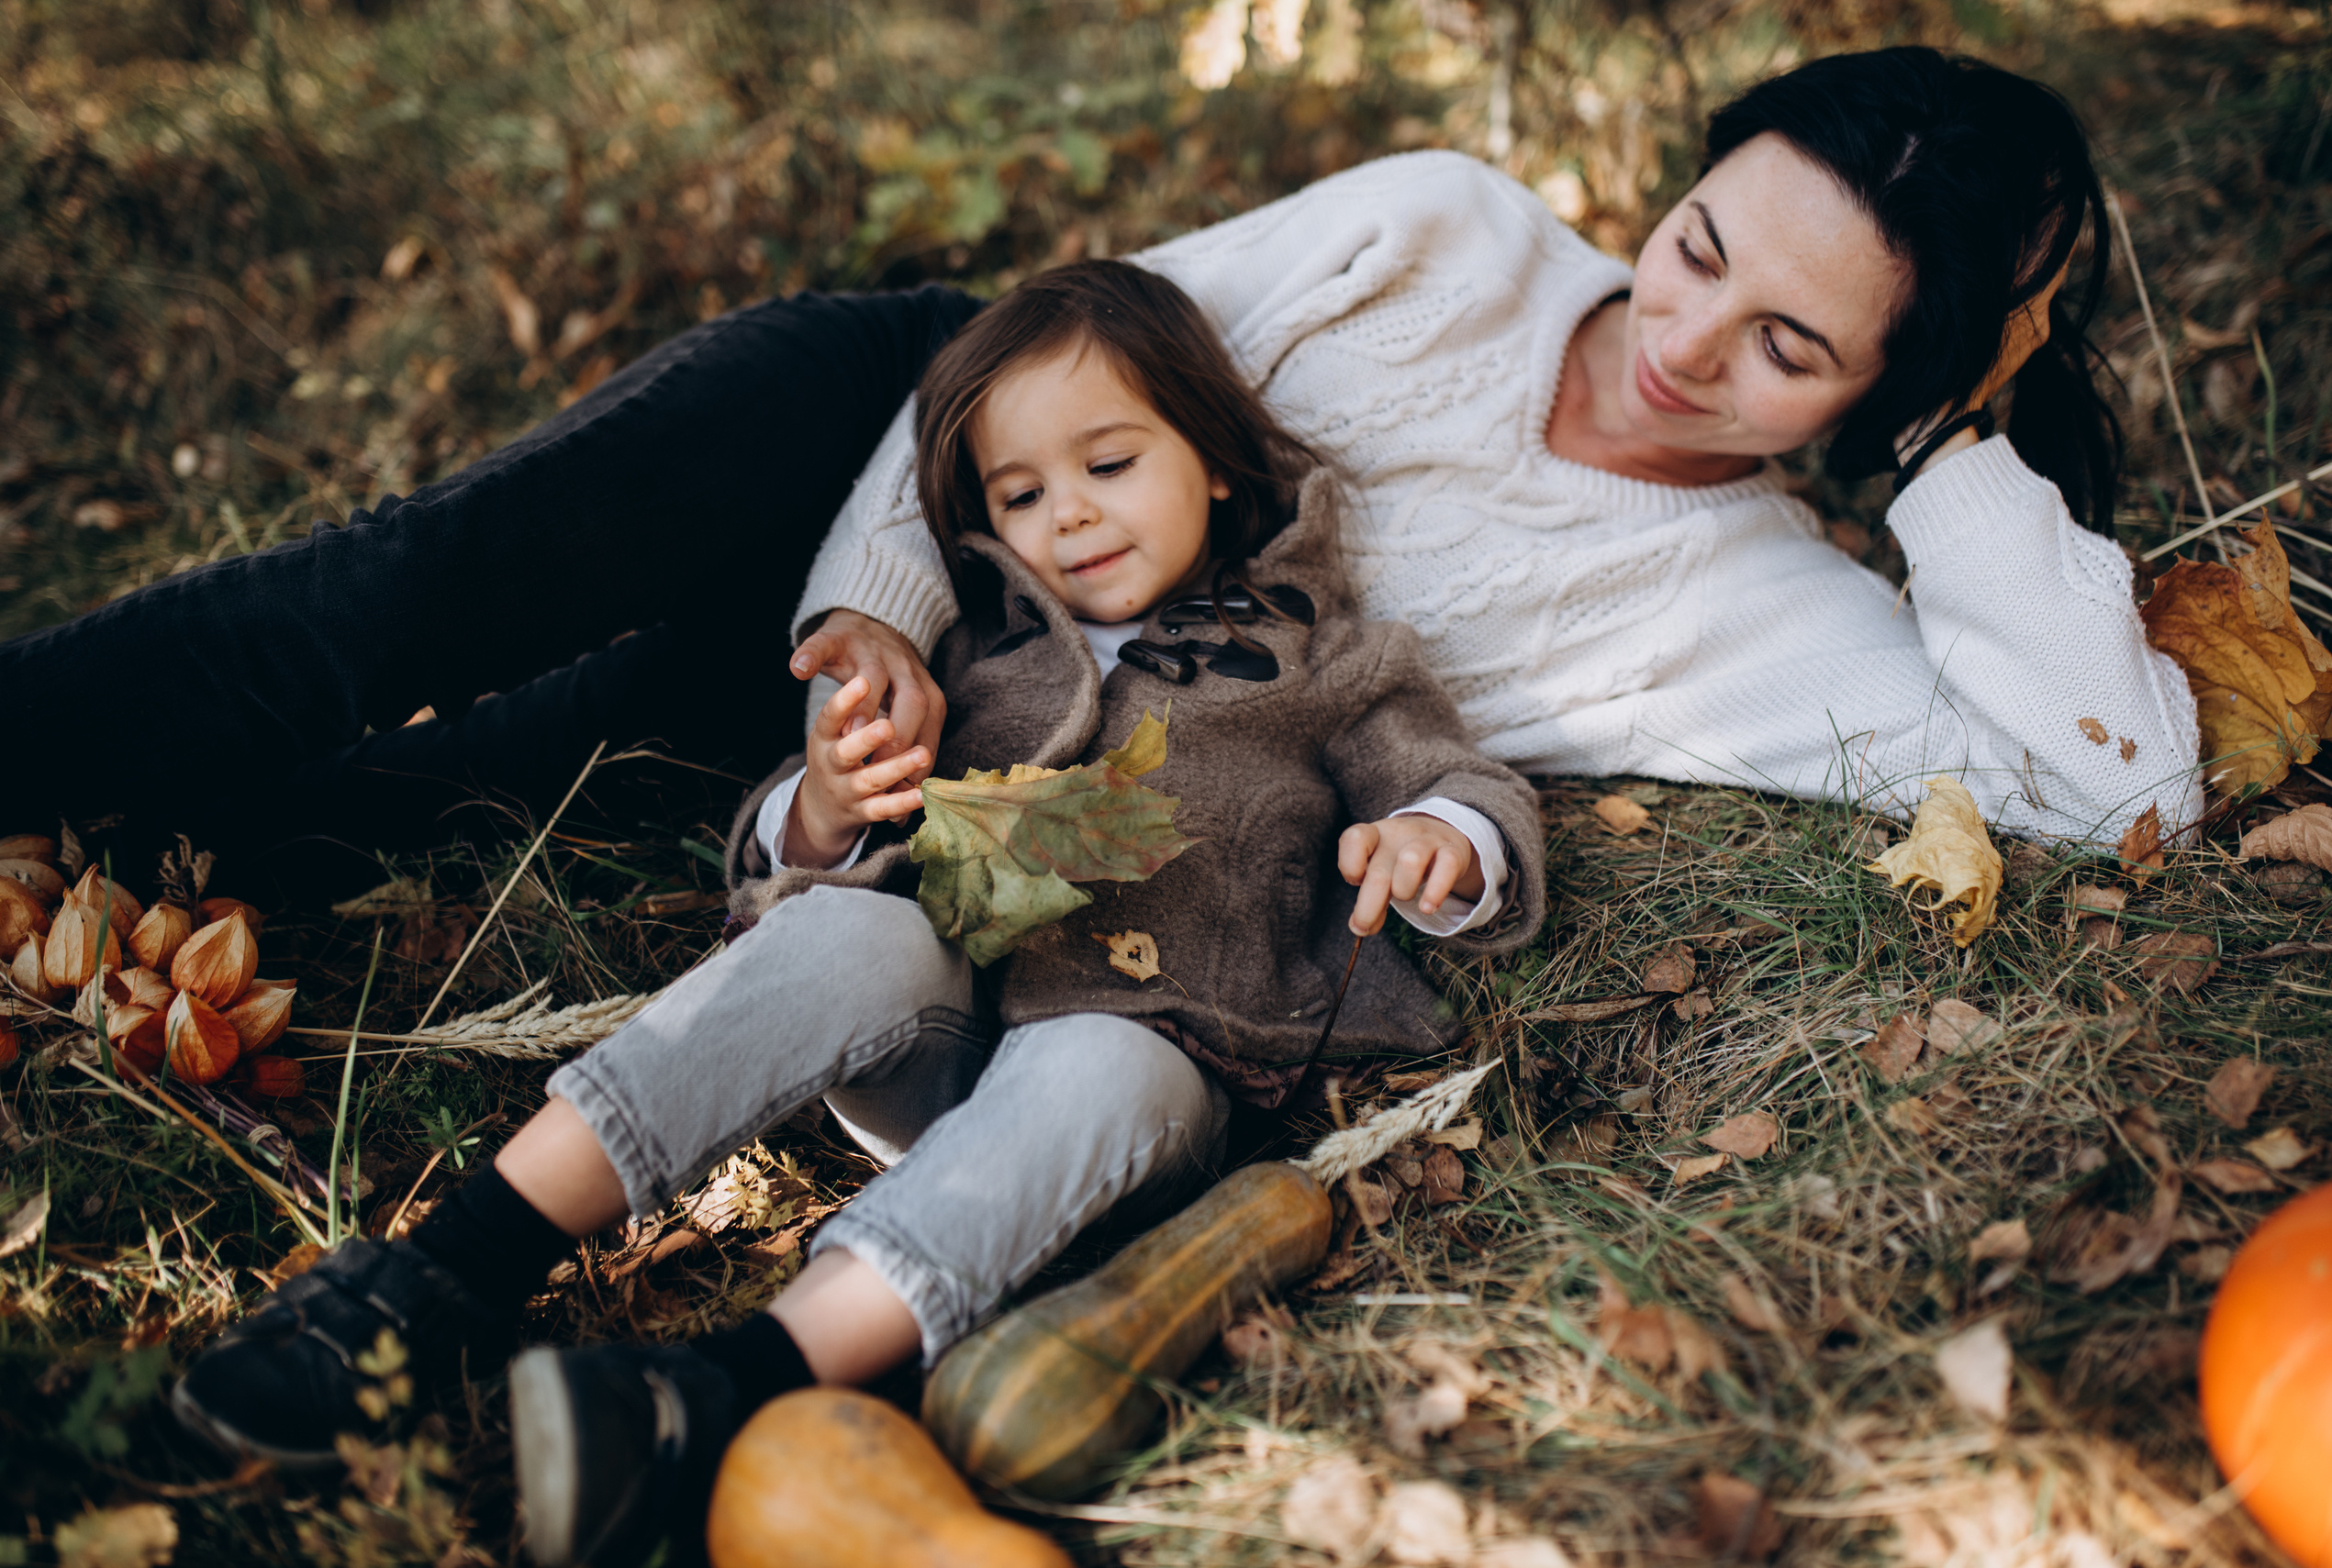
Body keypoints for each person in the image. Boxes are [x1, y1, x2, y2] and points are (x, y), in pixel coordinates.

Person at [0, 47, 2199, 871]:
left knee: (462, 799)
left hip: (984, 706)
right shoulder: (1441, 222)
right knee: (405, 597)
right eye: (1697, 241)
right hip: (884, 436)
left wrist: (1967, 459)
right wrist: (861, 593)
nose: (1675, 343)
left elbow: (2111, 794)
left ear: (1875, 400)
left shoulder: (1755, 610)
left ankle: (75, 886)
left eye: (1788, 348)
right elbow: (1035, 347)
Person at [170, 260, 1547, 1568]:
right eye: (1020, 494)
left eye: (1110, 465)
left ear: (1218, 461)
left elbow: (1455, 777)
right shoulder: (970, 648)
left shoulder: (1327, 652)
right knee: (853, 929)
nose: (1066, 514)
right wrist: (828, 801)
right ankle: (442, 1273)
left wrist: (1442, 838)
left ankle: (717, 1394)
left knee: (1105, 1057)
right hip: (940, 1058)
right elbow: (789, 843)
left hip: (1153, 1079)